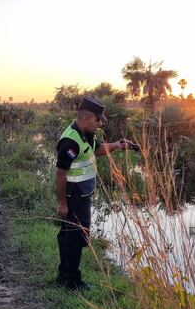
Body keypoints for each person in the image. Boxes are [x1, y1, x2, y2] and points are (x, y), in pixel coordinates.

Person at [55, 95, 135, 290]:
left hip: (82, 195)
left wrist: (117, 145)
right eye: (98, 120)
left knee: (70, 236)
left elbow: (97, 149)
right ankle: (72, 282)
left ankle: (64, 276)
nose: (100, 124)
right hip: (73, 198)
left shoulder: (85, 134)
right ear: (86, 118)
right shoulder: (70, 141)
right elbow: (60, 173)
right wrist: (62, 204)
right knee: (76, 237)